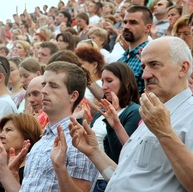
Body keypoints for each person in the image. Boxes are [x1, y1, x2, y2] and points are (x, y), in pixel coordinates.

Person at [68, 36, 193, 191]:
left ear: (183, 68)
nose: (145, 75)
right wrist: (94, 152)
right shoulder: (153, 114)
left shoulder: (187, 115)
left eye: (154, 65)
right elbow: (122, 177)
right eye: (144, 67)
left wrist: (165, 133)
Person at [0, 61, 98, 192]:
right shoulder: (42, 140)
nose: (44, 91)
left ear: (73, 96)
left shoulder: (78, 140)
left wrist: (60, 168)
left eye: (54, 86)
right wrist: (2, 169)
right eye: (44, 84)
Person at [118, 5, 153, 94]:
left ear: (148, 28)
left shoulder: (151, 56)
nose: (126, 26)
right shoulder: (122, 59)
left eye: (133, 22)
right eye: (125, 22)